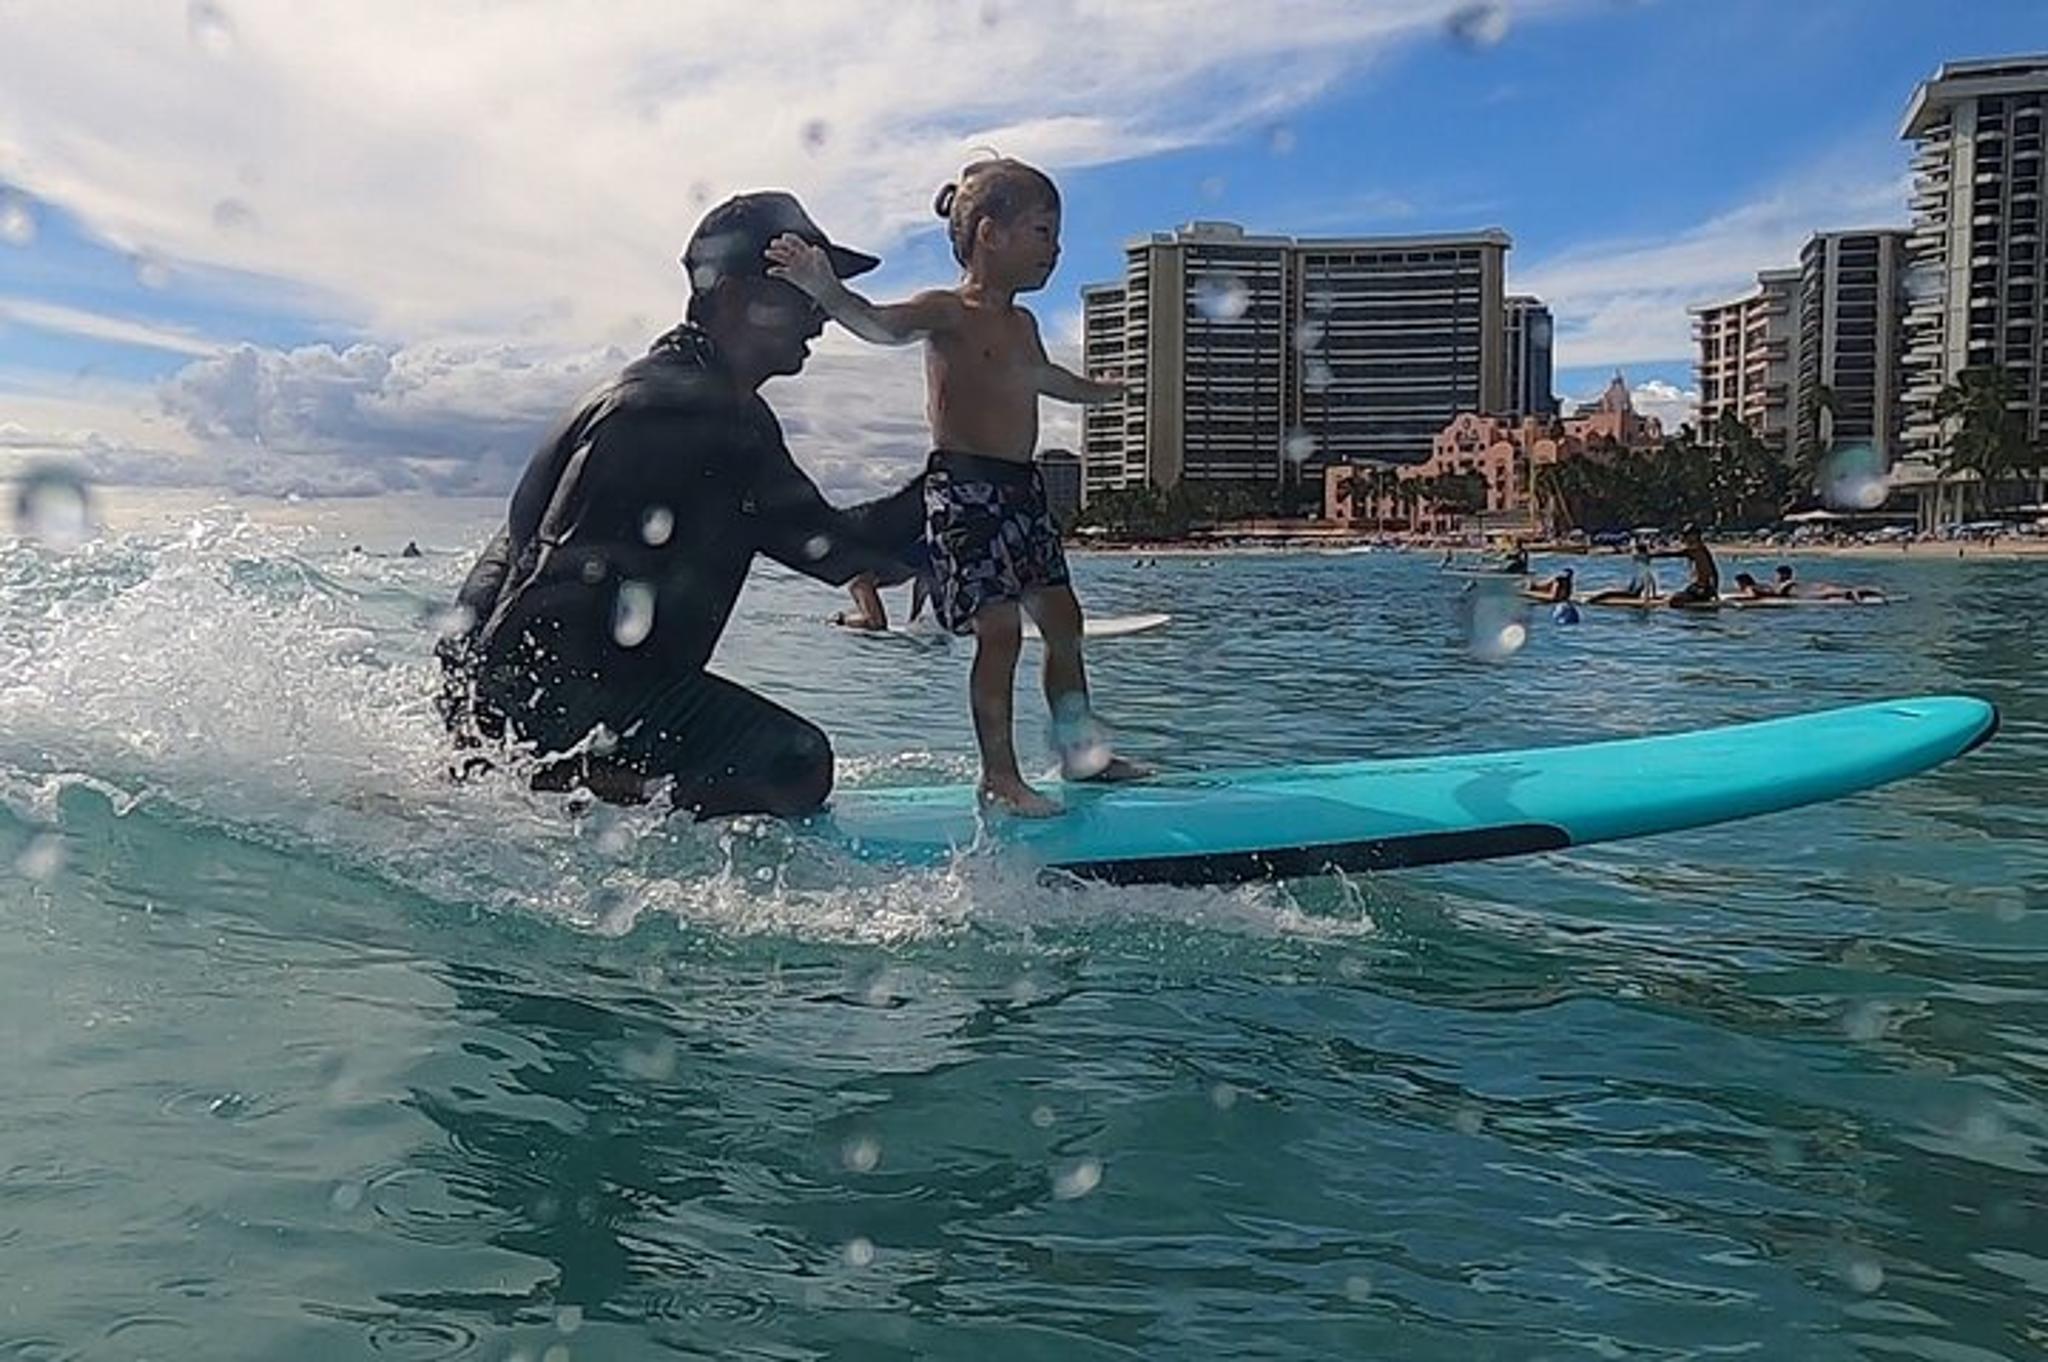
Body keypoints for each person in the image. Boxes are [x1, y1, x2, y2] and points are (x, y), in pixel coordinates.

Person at [436, 191, 916, 816]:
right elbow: (844, 554)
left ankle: (531, 779)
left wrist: (471, 728)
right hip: (550, 704)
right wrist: (961, 485)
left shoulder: (668, 395)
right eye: (809, 292)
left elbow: (499, 571)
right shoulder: (688, 411)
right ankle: (561, 788)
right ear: (741, 298)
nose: (823, 315)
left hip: (513, 693)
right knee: (793, 762)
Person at [767, 156, 1144, 816]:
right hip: (964, 493)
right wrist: (825, 291)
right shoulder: (946, 312)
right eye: (1043, 231)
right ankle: (999, 776)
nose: (1055, 250)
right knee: (998, 632)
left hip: (1023, 492)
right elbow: (878, 324)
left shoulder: (1025, 326)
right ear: (990, 234)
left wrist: (1096, 391)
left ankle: (1081, 756)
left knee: (1064, 624)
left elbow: (1044, 381)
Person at [1655, 524, 1720, 608]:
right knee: (1673, 596)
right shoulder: (1700, 549)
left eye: (1687, 535)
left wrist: (1653, 554)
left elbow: (1675, 553)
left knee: (1674, 601)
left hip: (1704, 590)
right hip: (1702, 588)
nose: (1685, 538)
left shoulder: (1697, 549)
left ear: (1695, 535)